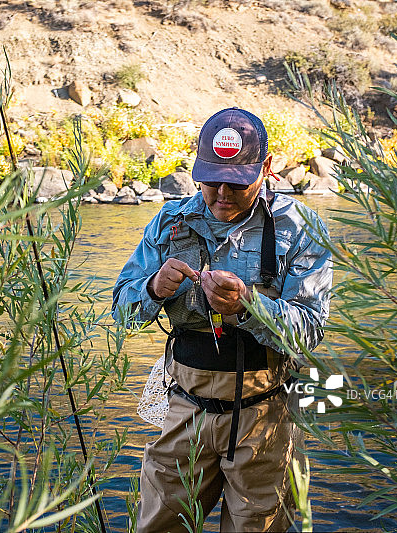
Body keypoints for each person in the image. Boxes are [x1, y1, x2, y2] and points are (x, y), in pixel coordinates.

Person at [113, 107, 332, 532]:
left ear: (266, 169)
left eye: (236, 183)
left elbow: (310, 331)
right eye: (211, 181)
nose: (221, 194)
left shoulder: (300, 227)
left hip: (264, 419)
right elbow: (121, 310)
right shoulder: (170, 221)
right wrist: (155, 287)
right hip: (183, 413)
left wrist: (246, 305)